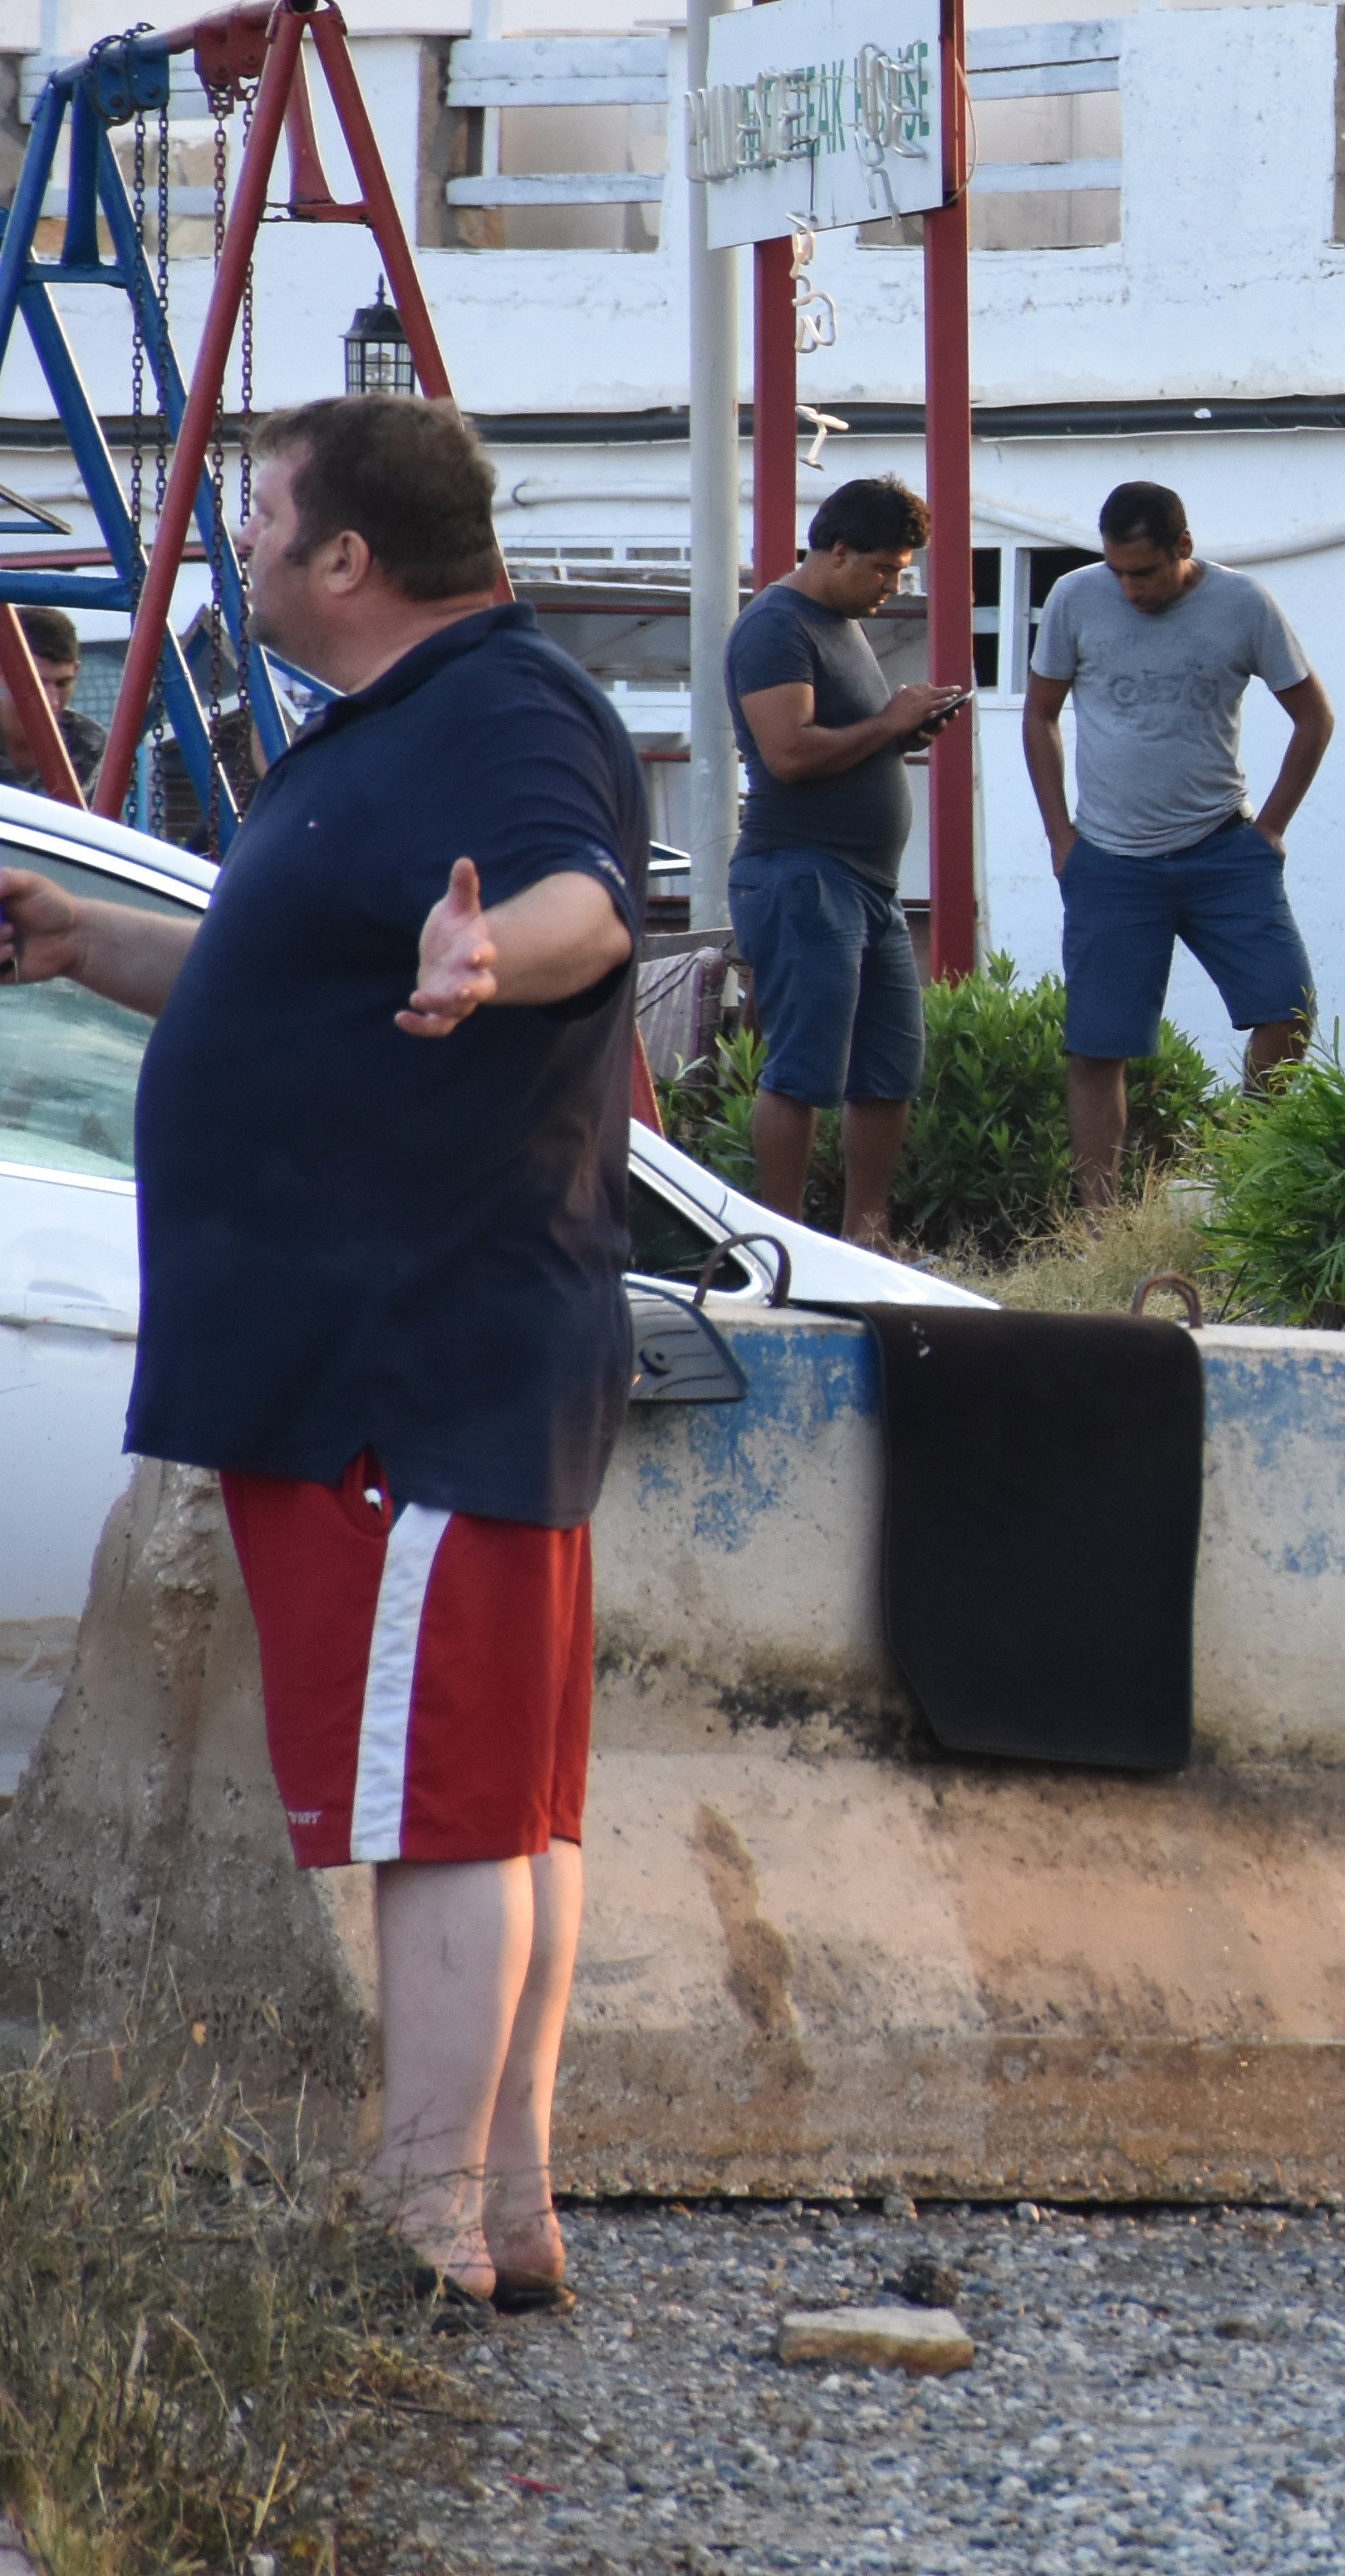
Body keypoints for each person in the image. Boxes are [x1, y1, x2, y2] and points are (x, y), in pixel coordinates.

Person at [0, 394, 641, 2310]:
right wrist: (77, 937)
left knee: (441, 1809)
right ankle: (503, 2206)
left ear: (350, 556)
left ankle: (426, 2214)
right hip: (405, 1350)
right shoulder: (379, 739)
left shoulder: (503, 714)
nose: (246, 546)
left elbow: (586, 906)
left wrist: (486, 964)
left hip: (407, 1347)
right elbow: (275, 976)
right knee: (501, 1802)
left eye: (265, 518)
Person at [1019, 480, 1333, 1207]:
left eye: (1146, 572)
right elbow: (1039, 716)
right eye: (1118, 571)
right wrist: (1059, 836)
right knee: (1099, 1046)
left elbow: (1314, 719)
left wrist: (1272, 828)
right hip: (1109, 861)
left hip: (1223, 851)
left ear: (1183, 548)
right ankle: (1100, 1225)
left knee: (1288, 1011)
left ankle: (1246, 1181)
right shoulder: (1073, 597)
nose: (1130, 589)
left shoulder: (1244, 604)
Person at [723, 478, 970, 1246]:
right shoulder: (775, 627)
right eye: (885, 570)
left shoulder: (841, 622)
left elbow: (842, 738)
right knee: (802, 1074)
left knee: (889, 1071)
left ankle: (868, 1244)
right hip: (803, 874)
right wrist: (889, 721)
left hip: (870, 886)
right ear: (835, 551)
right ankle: (783, 1247)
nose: (893, 588)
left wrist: (901, 731)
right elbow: (790, 753)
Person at [8, 604, 101, 797]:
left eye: (63, 683)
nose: (52, 702)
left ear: (76, 672)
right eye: (37, 684)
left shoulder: (91, 744)